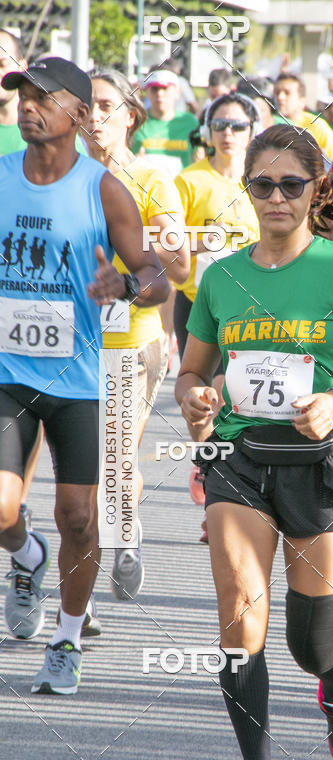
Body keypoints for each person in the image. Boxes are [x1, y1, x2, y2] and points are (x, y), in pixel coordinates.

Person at [175, 122, 333, 760]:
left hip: (323, 460)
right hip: (240, 457)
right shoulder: (221, 276)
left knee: (311, 642)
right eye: (262, 184)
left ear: (315, 190)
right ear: (245, 189)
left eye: (291, 184)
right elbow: (193, 371)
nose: (276, 197)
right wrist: (194, 395)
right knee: (238, 610)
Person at [0, 58, 168, 693]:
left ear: (76, 113)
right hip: (8, 373)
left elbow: (157, 276)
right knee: (1, 507)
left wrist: (125, 284)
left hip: (78, 381)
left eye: (44, 98)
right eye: (22, 95)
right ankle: (27, 556)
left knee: (77, 516)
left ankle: (67, 638)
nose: (28, 106)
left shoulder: (103, 189)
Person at [85, 67, 190, 600]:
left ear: (131, 116)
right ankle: (79, 599)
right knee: (79, 476)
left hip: (132, 341)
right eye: (85, 106)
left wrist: (126, 271)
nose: (94, 116)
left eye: (106, 106)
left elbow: (180, 265)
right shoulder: (60, 178)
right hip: (68, 347)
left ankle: (124, 533)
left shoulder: (151, 179)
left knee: (114, 457)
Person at [173, 91, 260, 507]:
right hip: (198, 307)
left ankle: (224, 483)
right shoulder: (188, 182)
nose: (228, 133)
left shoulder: (263, 184)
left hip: (249, 311)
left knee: (231, 396)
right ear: (208, 131)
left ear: (252, 131)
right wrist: (199, 242)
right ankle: (207, 465)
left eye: (238, 125)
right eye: (220, 125)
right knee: (201, 397)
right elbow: (167, 249)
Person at [131, 69, 198, 177]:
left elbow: (201, 157)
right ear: (147, 92)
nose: (160, 94)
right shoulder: (137, 121)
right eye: (154, 89)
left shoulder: (190, 122)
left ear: (177, 93)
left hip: (180, 186)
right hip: (146, 185)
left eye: (165, 88)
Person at [274, 73, 333, 162]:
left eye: (287, 93)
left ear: (302, 100)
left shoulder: (317, 127)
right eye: (277, 92)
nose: (280, 97)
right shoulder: (269, 124)